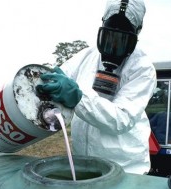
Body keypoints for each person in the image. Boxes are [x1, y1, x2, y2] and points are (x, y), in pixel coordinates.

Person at [36, 0, 156, 175]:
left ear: (136, 36)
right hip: (84, 163)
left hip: (125, 168)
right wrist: (48, 83)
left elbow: (121, 119)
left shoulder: (142, 69)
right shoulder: (87, 56)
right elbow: (61, 76)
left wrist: (78, 98)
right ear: (102, 27)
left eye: (122, 40)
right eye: (109, 37)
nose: (113, 46)